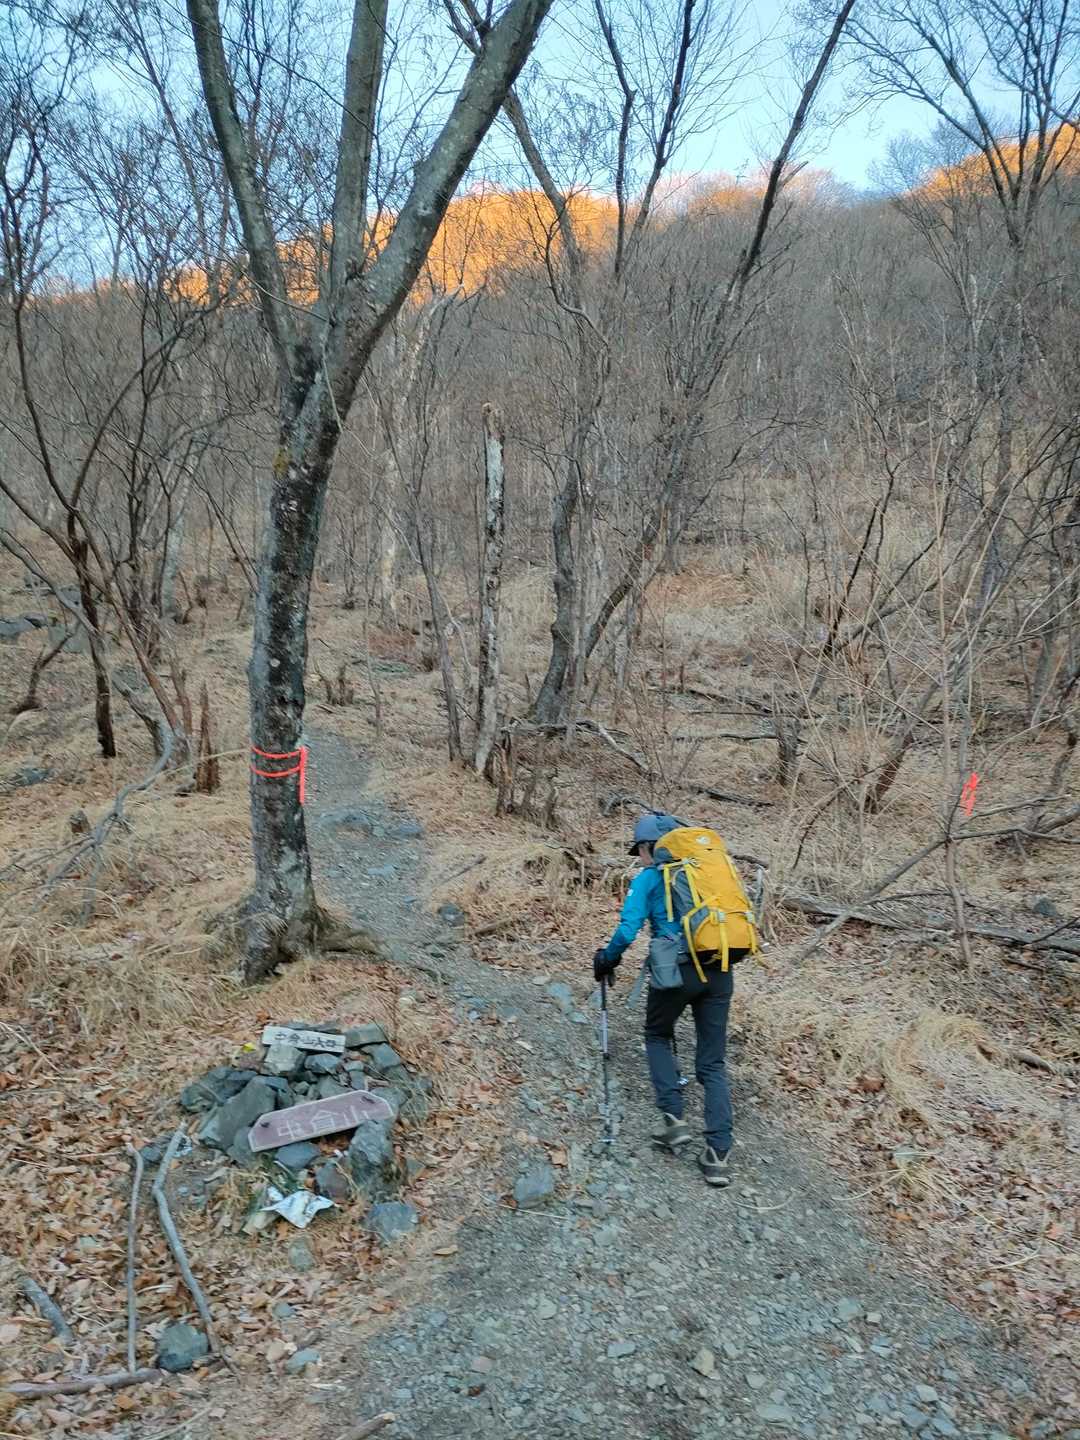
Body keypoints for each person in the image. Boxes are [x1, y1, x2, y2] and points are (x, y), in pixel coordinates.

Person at [592, 812, 742, 1187]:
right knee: (712, 1063)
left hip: (673, 968)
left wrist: (607, 959)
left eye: (639, 850)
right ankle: (718, 1156)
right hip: (719, 966)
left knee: (657, 1034)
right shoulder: (704, 873)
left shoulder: (649, 878)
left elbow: (628, 929)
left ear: (650, 847)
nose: (639, 858)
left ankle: (674, 1119)